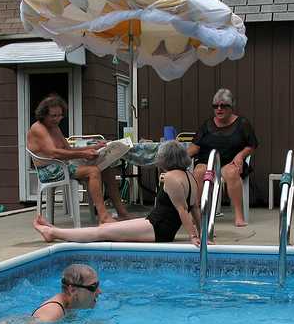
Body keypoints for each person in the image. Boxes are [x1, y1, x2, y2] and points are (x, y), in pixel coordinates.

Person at [34, 140, 202, 246]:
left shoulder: (171, 177)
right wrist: (202, 234)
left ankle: (53, 232)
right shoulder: (190, 176)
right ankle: (52, 229)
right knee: (108, 227)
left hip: (157, 228)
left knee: (102, 232)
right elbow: (194, 209)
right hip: (158, 226)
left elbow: (182, 210)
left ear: (165, 159)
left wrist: (193, 237)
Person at [27, 94, 132, 224]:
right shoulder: (38, 128)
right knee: (93, 171)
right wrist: (84, 155)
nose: (57, 119)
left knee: (107, 170)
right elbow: (54, 153)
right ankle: (103, 216)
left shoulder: (54, 127)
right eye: (53, 116)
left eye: (59, 115)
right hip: (49, 169)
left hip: (63, 164)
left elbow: (69, 149)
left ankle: (122, 213)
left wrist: (95, 147)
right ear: (44, 114)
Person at [188, 88, 258, 227]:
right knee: (199, 171)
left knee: (231, 173)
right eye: (215, 106)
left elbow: (252, 145)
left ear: (231, 106)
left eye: (223, 105)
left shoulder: (242, 123)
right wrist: (179, 157)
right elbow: (195, 146)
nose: (219, 109)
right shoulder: (207, 124)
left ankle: (239, 215)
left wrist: (240, 155)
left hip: (231, 161)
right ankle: (198, 213)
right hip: (207, 161)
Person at [31, 264, 102, 323]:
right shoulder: (51, 313)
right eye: (93, 287)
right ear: (73, 290)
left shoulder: (73, 305)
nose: (99, 292)